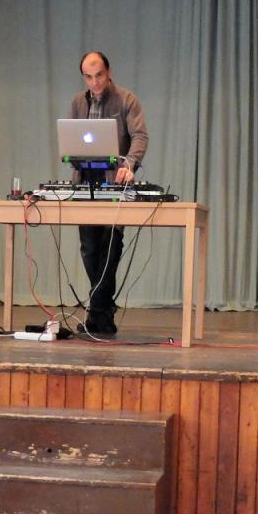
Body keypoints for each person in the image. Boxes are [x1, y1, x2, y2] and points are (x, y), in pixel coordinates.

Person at [69, 50, 149, 335]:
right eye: (89, 77)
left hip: (114, 182)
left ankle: (97, 310)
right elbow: (72, 139)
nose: (95, 82)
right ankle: (102, 312)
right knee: (89, 247)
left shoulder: (126, 99)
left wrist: (129, 165)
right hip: (84, 181)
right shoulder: (78, 102)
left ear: (109, 72)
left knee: (111, 245)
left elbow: (140, 136)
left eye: (99, 75)